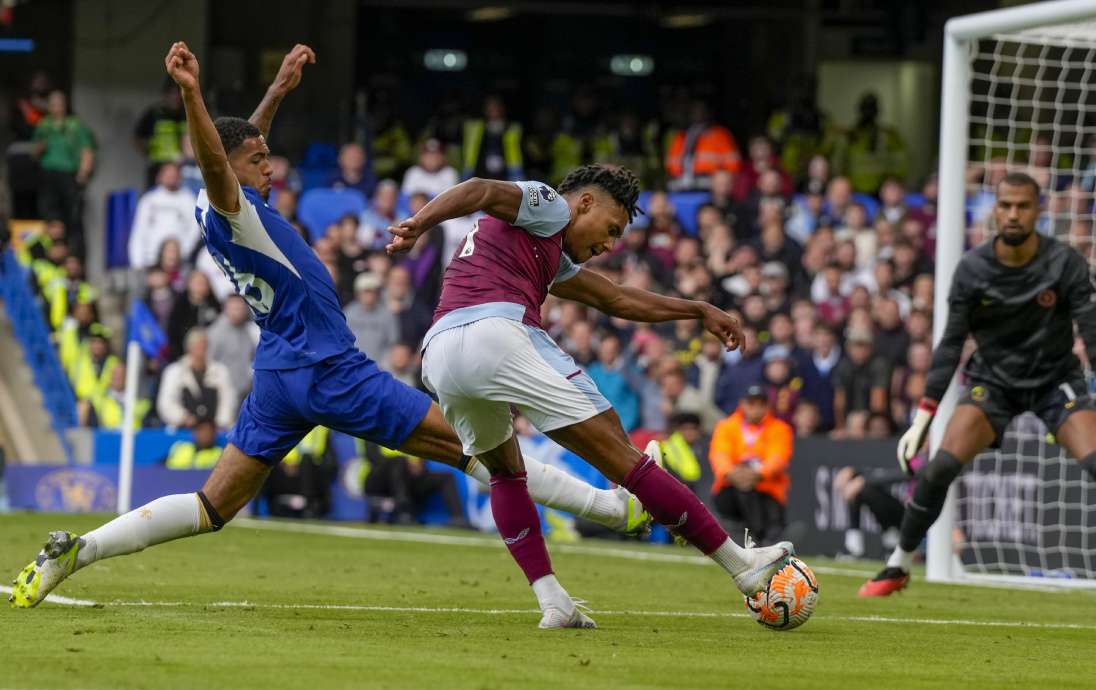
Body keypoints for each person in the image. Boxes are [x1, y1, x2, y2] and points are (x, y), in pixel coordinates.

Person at [9, 43, 649, 612]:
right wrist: (191, 94)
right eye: (259, 161)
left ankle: (79, 550)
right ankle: (611, 507)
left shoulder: (218, 206)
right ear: (232, 168)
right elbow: (216, 155)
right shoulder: (230, 202)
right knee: (480, 449)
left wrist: (278, 92)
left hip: (279, 372)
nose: (273, 166)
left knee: (214, 505)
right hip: (326, 366)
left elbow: (235, 146)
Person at [386, 163, 794, 629]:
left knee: (505, 472)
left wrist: (698, 309)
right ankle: (741, 566)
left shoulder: (539, 249)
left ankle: (553, 600)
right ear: (583, 204)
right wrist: (421, 222)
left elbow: (616, 299)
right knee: (623, 457)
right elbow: (480, 189)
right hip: (495, 332)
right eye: (611, 227)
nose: (610, 244)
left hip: (440, 353)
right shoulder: (547, 205)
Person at [859, 172, 1096, 606]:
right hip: (993, 383)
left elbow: (1094, 339)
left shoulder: (1064, 263)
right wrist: (923, 417)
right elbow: (950, 347)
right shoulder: (973, 269)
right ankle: (898, 563)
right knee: (939, 467)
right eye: (1005, 205)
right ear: (995, 210)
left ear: (1038, 210)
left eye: (1022, 206)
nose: (1013, 214)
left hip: (1055, 381)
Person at [707, 386, 793, 545]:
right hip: (730, 487)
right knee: (741, 493)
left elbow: (778, 458)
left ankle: (762, 537)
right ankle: (755, 537)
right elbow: (719, 454)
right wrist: (732, 473)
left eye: (761, 404)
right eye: (751, 403)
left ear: (767, 406)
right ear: (743, 404)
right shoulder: (727, 426)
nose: (756, 409)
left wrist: (756, 473)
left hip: (767, 489)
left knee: (760, 503)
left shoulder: (779, 429)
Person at [31, 89, 94, 257]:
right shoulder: (44, 125)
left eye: (59, 104)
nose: (56, 107)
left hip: (68, 175)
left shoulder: (75, 125)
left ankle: (73, 258)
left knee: (73, 220)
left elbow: (86, 150)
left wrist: (83, 173)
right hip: (48, 175)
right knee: (51, 218)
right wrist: (40, 146)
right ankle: (51, 256)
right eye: (53, 104)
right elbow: (34, 152)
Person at [157, 328, 237, 430]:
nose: (201, 350)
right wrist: (184, 418)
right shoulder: (174, 372)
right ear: (189, 348)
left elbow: (228, 400)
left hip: (214, 431)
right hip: (182, 430)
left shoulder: (221, 372)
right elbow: (166, 403)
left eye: (203, 346)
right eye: (197, 346)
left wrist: (219, 423)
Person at [128, 162, 199, 270]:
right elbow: (139, 231)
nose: (171, 177)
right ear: (159, 177)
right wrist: (137, 263)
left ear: (180, 177)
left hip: (179, 262)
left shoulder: (189, 199)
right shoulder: (149, 200)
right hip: (150, 261)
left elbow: (195, 230)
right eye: (167, 174)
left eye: (174, 175)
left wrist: (182, 252)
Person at [134, 80, 187, 185]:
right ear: (165, 95)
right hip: (157, 166)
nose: (174, 97)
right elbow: (137, 138)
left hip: (181, 168)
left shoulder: (186, 114)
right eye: (171, 94)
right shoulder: (154, 114)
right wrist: (148, 152)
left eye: (177, 94)